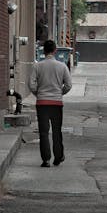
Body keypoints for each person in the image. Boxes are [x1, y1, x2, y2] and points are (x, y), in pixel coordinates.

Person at [28, 39, 72, 167]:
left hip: (42, 103)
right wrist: (60, 93)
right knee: (57, 131)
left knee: (44, 132)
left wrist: (38, 93)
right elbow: (68, 85)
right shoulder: (62, 66)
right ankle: (58, 156)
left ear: (43, 50)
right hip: (56, 103)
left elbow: (31, 84)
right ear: (55, 51)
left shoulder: (37, 66)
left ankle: (46, 159)